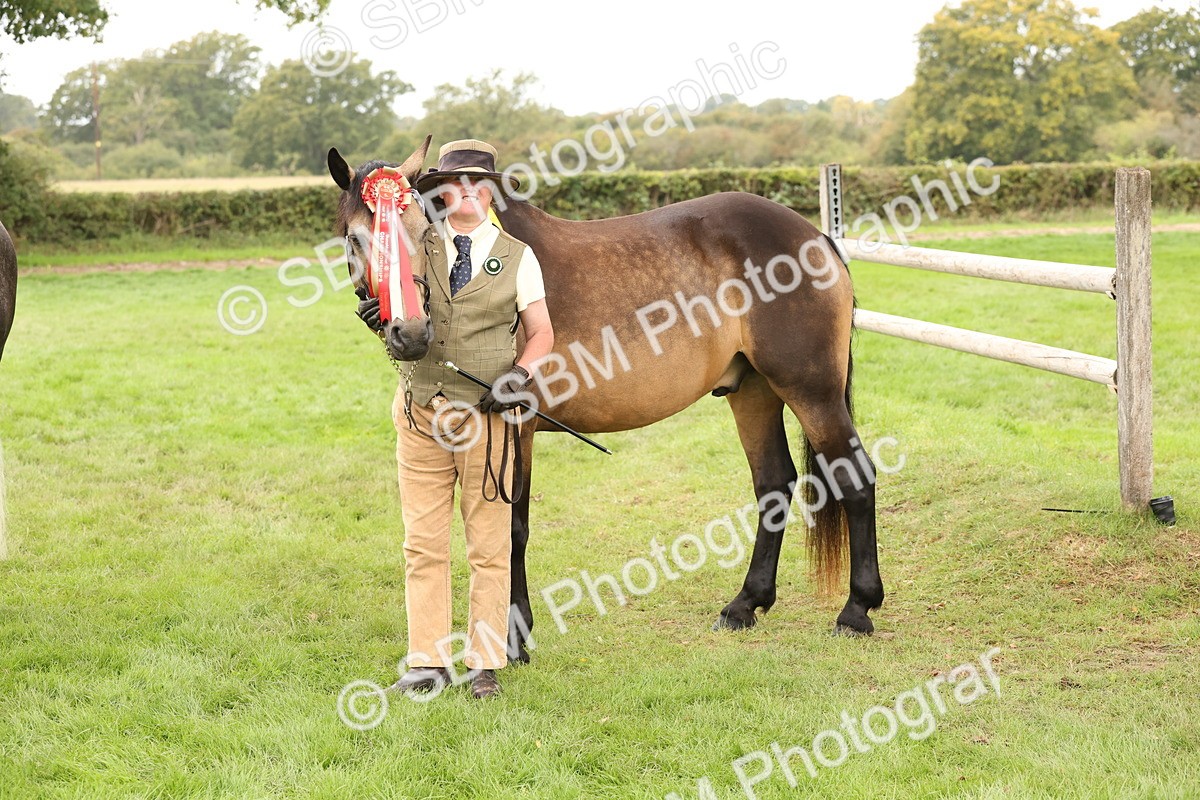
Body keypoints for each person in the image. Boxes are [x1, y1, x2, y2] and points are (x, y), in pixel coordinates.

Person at [356, 139, 553, 699]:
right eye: (454, 184)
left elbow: (542, 332)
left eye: (477, 184)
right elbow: (390, 294)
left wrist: (521, 374)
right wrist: (379, 315)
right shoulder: (416, 243)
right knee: (423, 544)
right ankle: (427, 662)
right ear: (441, 192)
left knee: (489, 546)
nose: (466, 192)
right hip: (420, 412)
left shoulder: (519, 256)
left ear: (490, 192)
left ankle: (484, 662)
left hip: (485, 421)